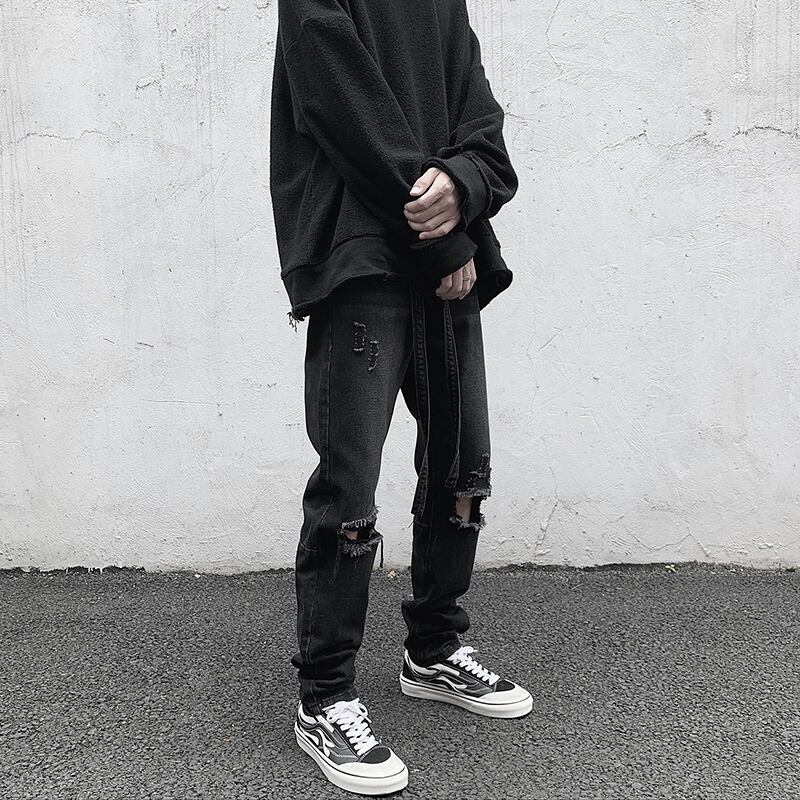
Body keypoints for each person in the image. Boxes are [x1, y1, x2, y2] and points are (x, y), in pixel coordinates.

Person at [270, 0, 532, 794]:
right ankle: (325, 696)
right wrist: (445, 235)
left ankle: (434, 648)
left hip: (446, 270)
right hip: (365, 259)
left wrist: (463, 184)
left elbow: (485, 134)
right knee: (349, 488)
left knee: (463, 470)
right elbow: (342, 107)